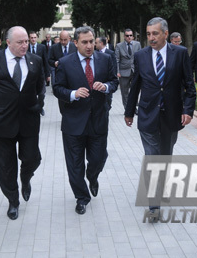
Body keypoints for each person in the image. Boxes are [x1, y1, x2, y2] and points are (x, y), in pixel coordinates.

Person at [124, 17, 196, 221]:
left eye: (155, 33)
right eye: (148, 34)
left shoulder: (180, 53)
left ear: (165, 34)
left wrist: (188, 110)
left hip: (172, 115)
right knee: (153, 157)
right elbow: (135, 85)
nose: (151, 38)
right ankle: (154, 206)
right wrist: (129, 112)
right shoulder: (141, 56)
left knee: (165, 155)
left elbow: (189, 87)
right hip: (147, 115)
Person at [0, 26, 45, 220]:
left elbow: (39, 88)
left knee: (32, 158)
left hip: (28, 121)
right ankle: (13, 200)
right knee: (5, 166)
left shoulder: (35, 60)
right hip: (1, 124)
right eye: (20, 42)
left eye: (26, 41)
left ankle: (26, 177)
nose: (24, 45)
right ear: (8, 43)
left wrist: (37, 106)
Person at [53, 27, 118, 215]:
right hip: (74, 122)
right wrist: (73, 94)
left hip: (98, 120)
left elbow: (114, 82)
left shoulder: (105, 59)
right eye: (85, 42)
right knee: (74, 164)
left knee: (98, 158)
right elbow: (57, 88)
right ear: (76, 43)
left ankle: (93, 176)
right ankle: (82, 197)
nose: (89, 46)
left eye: (92, 41)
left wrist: (105, 86)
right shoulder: (65, 63)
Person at [115, 28, 141, 110]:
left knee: (135, 90)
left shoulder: (137, 44)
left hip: (135, 71)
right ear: (124, 36)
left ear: (133, 36)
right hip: (123, 72)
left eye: (130, 35)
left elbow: (141, 58)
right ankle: (127, 109)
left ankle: (134, 107)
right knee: (124, 92)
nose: (129, 37)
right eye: (127, 36)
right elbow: (117, 60)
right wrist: (117, 72)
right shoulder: (119, 46)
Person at [29, 31, 51, 104]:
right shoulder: (26, 48)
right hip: (29, 74)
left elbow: (46, 61)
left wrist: (48, 75)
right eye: (31, 38)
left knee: (42, 93)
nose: (33, 39)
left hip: (41, 74)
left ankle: (40, 106)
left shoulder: (42, 47)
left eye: (35, 37)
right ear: (29, 38)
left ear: (36, 38)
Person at [95, 36, 116, 109]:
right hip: (98, 80)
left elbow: (114, 66)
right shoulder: (95, 53)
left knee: (108, 99)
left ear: (101, 43)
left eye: (96, 43)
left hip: (108, 80)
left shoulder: (110, 53)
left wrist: (114, 77)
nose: (95, 44)